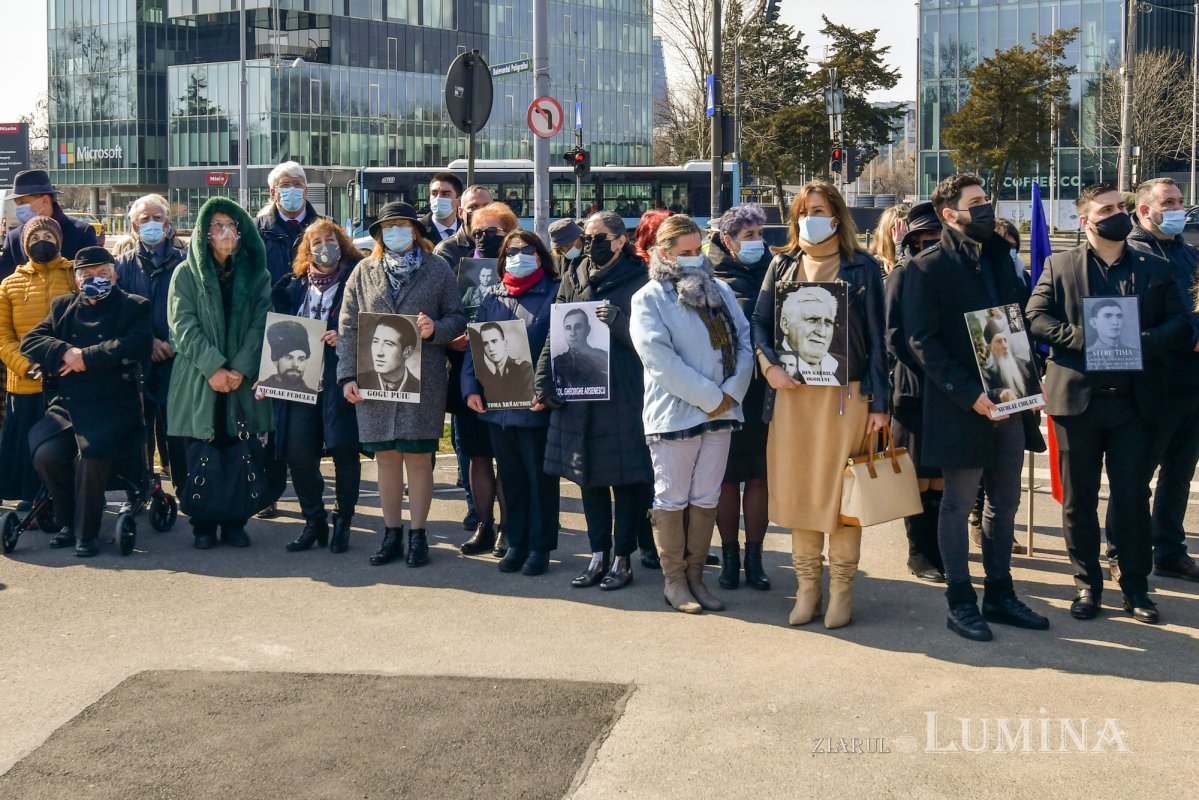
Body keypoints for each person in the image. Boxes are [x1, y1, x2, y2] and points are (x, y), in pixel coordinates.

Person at [1026, 182, 1190, 625]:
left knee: (1132, 497)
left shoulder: (1155, 267)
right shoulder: (1060, 265)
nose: (1118, 214)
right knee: (1078, 501)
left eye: (1121, 206)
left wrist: (1142, 341)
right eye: (1107, 209)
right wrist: (1084, 339)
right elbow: (1036, 317)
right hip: (1077, 402)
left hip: (1135, 404)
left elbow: (1180, 323)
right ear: (1085, 221)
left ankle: (1136, 588)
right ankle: (1087, 585)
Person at [903, 173, 1049, 641]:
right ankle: (961, 601)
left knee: (1005, 501)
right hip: (961, 406)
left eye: (987, 199)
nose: (987, 207)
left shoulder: (1001, 258)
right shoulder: (927, 268)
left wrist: (1029, 379)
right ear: (949, 214)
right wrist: (969, 394)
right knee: (959, 501)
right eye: (977, 202)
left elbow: (1013, 323)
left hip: (1010, 399)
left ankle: (1000, 594)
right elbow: (921, 342)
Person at [752, 181, 889, 630]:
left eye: (819, 210)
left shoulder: (863, 267)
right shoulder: (782, 264)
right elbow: (760, 323)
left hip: (846, 399)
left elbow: (880, 339)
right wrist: (769, 366)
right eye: (804, 211)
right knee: (801, 492)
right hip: (793, 399)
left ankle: (842, 590)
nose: (811, 218)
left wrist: (879, 403)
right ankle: (808, 587)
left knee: (843, 494)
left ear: (836, 216)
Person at [631, 214, 753, 613]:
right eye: (684, 252)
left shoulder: (719, 289)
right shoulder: (649, 297)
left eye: (697, 249)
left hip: (722, 411)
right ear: (664, 253)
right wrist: (708, 396)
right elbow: (658, 358)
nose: (694, 257)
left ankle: (697, 577)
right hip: (676, 413)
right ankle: (675, 581)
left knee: (706, 495)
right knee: (672, 496)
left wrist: (730, 393)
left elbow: (744, 341)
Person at [338, 201, 466, 567]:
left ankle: (418, 534)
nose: (395, 232)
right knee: (386, 459)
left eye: (402, 225)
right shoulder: (364, 270)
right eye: (388, 226)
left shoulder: (438, 269)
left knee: (418, 458)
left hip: (423, 381)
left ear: (415, 230)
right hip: (373, 382)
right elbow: (348, 326)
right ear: (379, 233)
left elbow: (457, 317)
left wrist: (434, 329)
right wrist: (346, 375)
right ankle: (391, 533)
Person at [536, 210, 654, 591]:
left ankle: (623, 557)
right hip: (581, 394)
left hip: (624, 394)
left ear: (621, 240)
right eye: (587, 238)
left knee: (627, 479)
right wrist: (543, 380)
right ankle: (598, 553)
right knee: (588, 479)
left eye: (599, 238)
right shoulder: (574, 274)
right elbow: (556, 330)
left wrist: (619, 322)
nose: (591, 244)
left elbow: (652, 343)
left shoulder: (641, 279)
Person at [21, 247, 152, 556]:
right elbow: (31, 341)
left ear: (114, 277)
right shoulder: (63, 307)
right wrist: (65, 352)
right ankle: (66, 521)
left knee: (90, 456)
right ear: (78, 280)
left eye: (102, 274)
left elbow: (137, 344)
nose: (96, 279)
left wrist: (86, 357)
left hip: (113, 405)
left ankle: (85, 533)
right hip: (68, 405)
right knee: (46, 454)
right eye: (88, 275)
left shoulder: (133, 306)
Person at [167, 197, 274, 549]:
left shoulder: (257, 275)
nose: (226, 232)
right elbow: (182, 325)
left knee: (238, 447)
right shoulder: (186, 274)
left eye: (231, 225)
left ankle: (235, 522)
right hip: (199, 377)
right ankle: (202, 523)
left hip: (241, 377)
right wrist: (213, 367)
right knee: (200, 448)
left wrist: (240, 368)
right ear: (205, 234)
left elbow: (261, 323)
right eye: (217, 226)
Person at [462, 229, 561, 575]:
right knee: (512, 478)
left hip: (535, 405)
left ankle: (540, 547)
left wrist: (546, 389)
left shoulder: (555, 293)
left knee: (539, 481)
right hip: (498, 407)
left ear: (540, 256)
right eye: (512, 252)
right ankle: (516, 542)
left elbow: (560, 348)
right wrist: (470, 388)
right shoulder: (493, 296)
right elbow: (475, 348)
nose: (519, 257)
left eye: (527, 250)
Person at [268, 219, 362, 554]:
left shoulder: (358, 279)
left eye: (330, 239)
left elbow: (372, 322)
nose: (324, 246)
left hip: (340, 380)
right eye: (316, 242)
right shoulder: (291, 286)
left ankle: (344, 519)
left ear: (341, 243)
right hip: (300, 384)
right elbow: (276, 332)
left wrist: (345, 335)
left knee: (344, 450)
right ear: (307, 251)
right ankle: (314, 520)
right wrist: (267, 376)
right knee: (298, 453)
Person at [1128, 176, 1199, 582]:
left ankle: (1169, 551)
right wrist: (1189, 338)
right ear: (1145, 210)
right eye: (1168, 203)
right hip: (1153, 383)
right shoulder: (1133, 256)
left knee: (1179, 474)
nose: (1177, 209)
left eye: (1179, 201)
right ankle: (1126, 552)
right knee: (1136, 478)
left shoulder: (1190, 254)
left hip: (1192, 384)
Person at [436, 200, 515, 557]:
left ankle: (508, 527)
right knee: (476, 455)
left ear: (509, 231)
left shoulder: (521, 266)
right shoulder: (458, 268)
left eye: (493, 231)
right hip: (466, 370)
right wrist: (450, 335)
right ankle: (484, 523)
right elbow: (447, 313)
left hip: (509, 370)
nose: (485, 237)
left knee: (506, 456)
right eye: (479, 231)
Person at [708, 204, 773, 589]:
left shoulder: (776, 271)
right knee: (727, 480)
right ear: (727, 240)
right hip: (727, 392)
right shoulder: (711, 278)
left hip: (766, 391)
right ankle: (730, 557)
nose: (757, 242)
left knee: (760, 477)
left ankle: (755, 558)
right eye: (749, 236)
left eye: (760, 234)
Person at [884, 201, 947, 582]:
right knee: (916, 476)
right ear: (912, 240)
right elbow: (893, 335)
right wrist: (931, 365)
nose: (933, 243)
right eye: (926, 237)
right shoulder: (902, 273)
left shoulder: (952, 273)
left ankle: (939, 549)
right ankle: (918, 552)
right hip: (912, 388)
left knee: (939, 475)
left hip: (949, 390)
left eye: (939, 236)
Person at [0, 216, 77, 513]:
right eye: (34, 237)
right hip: (25, 383)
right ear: (24, 244)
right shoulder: (10, 284)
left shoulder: (73, 275)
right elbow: (3, 336)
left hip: (68, 378)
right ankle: (31, 499)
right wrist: (26, 366)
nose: (41, 241)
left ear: (58, 240)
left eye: (47, 236)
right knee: (27, 444)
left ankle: (66, 500)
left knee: (63, 445)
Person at [114, 194, 188, 487]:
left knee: (178, 432)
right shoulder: (121, 266)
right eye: (145, 219)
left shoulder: (185, 262)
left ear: (167, 223)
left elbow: (193, 310)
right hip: (137, 362)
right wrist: (150, 342)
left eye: (158, 218)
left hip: (177, 360)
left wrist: (173, 341)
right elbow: (119, 314)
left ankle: (186, 491)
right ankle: (140, 491)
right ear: (134, 226)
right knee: (139, 432)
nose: (152, 223)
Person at [0, 170, 98, 280]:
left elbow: (92, 277)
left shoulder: (82, 233)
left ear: (45, 200)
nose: (18, 209)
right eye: (17, 203)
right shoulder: (14, 238)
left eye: (22, 202)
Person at [257, 161, 323, 284]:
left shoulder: (326, 228)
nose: (292, 189)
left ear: (306, 191)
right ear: (273, 193)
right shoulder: (257, 229)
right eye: (285, 185)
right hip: (271, 296)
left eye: (297, 184)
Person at [779, 285, 841, 384]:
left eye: (828, 322)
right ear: (786, 325)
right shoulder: (773, 364)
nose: (822, 332)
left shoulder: (844, 365)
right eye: (812, 320)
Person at [357, 316, 422, 393]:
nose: (379, 353)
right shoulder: (358, 382)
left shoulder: (419, 388)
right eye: (375, 341)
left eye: (388, 344)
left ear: (407, 352)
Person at [551, 307, 610, 391]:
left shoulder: (603, 357)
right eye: (568, 328)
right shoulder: (558, 362)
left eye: (578, 327)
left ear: (588, 330)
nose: (572, 333)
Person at [476, 322, 534, 400]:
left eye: (494, 341)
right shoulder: (487, 375)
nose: (491, 348)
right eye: (485, 344)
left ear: (505, 344)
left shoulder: (523, 368)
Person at [259, 320, 316, 393]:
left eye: (301, 359)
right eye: (289, 358)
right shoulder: (260, 389)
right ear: (275, 361)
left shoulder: (312, 394)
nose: (295, 365)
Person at [420, 172, 465, 244]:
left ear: (459, 200)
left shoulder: (468, 230)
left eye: (445, 194)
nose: (438, 198)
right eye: (434, 194)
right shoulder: (418, 230)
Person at [870, 203, 909, 273]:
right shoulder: (873, 263)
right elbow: (897, 278)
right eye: (904, 231)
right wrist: (899, 246)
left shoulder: (914, 255)